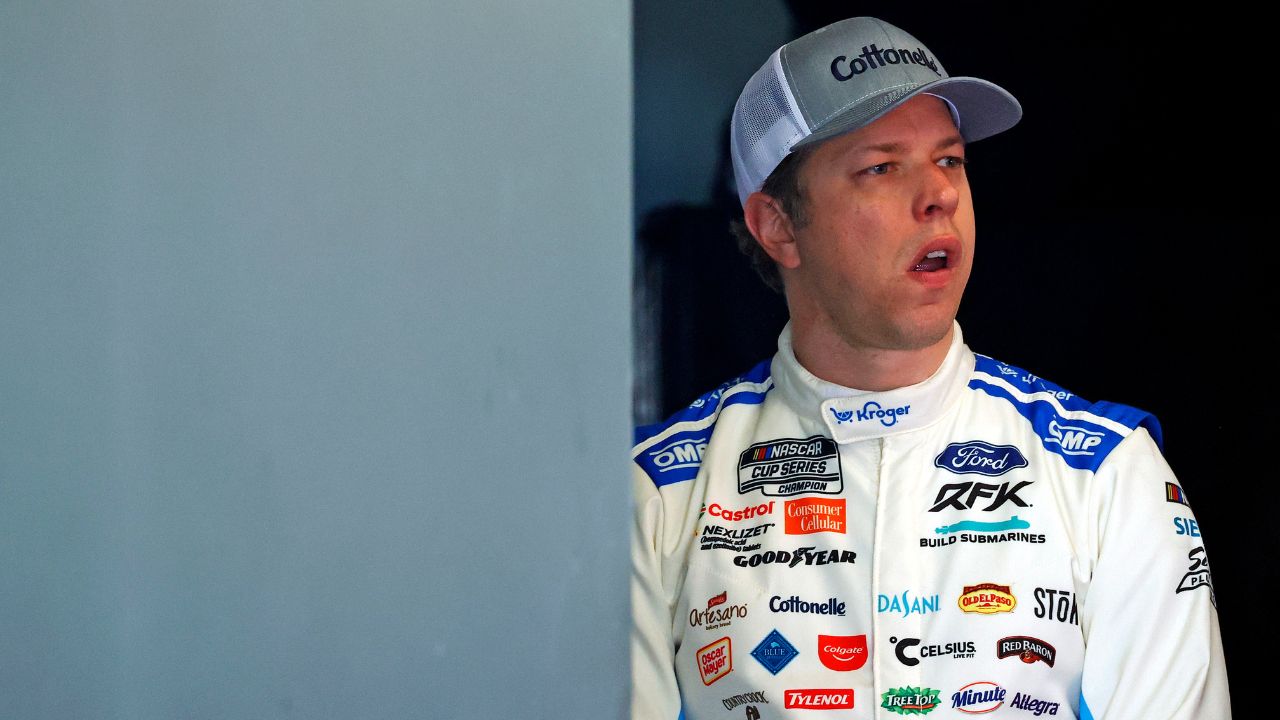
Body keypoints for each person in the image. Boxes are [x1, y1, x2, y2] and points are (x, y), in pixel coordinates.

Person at [630, 15, 1230, 720]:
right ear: (779, 226)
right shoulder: (658, 493)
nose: (939, 194)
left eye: (950, 160)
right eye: (882, 166)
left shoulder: (1107, 474)